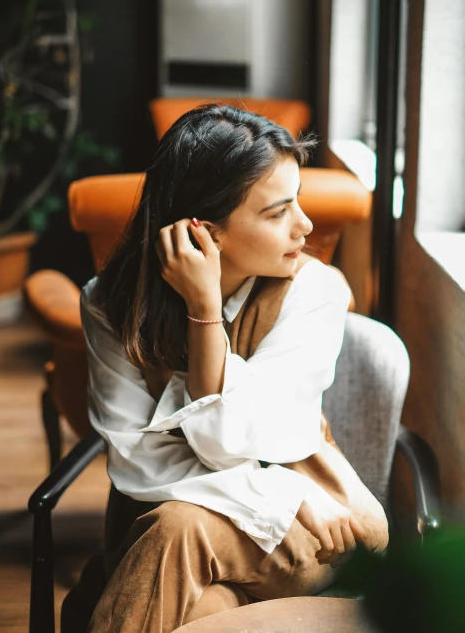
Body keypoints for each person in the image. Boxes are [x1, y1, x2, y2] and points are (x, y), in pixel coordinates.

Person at [81, 105, 389, 633]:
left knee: (178, 528)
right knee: (203, 607)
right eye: (278, 213)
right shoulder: (110, 304)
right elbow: (139, 462)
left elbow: (232, 439)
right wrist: (282, 496)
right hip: (268, 507)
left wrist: (204, 316)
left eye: (299, 203)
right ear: (204, 232)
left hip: (321, 524)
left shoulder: (315, 292)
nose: (306, 226)